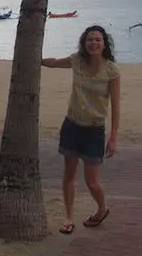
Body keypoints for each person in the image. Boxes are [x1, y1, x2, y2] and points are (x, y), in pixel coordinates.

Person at [42, 24, 121, 235]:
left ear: (104, 43)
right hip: (72, 126)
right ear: (84, 44)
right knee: (69, 174)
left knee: (92, 181)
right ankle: (68, 218)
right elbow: (55, 63)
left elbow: (116, 106)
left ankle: (101, 209)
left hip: (94, 131)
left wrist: (113, 138)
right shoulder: (76, 61)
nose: (93, 43)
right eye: (89, 40)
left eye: (97, 39)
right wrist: (36, 59)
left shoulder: (111, 70)